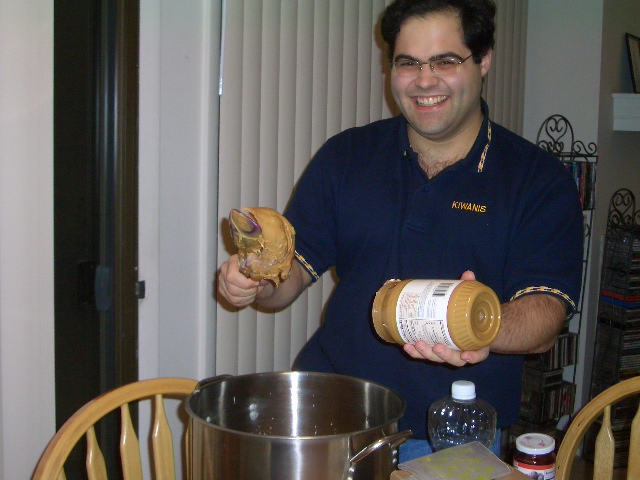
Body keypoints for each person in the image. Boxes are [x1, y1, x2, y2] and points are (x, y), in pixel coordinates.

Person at [218, 0, 583, 461]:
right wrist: (253, 281)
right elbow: (288, 280)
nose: (424, 81)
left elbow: (545, 317)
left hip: (453, 433)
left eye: (445, 61)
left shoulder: (537, 179)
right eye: (408, 63)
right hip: (333, 417)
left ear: (484, 59)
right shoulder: (346, 157)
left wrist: (475, 327)